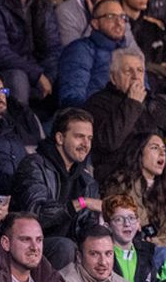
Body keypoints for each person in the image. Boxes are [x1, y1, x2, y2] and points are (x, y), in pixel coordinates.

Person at [11, 109, 100, 266]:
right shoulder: (34, 165)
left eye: (90, 138)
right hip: (31, 245)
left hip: (69, 249)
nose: (86, 144)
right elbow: (35, 214)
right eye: (79, 137)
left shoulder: (87, 181)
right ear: (60, 138)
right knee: (65, 247)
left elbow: (87, 228)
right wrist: (81, 203)